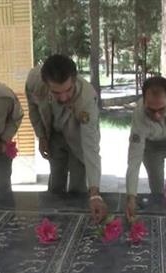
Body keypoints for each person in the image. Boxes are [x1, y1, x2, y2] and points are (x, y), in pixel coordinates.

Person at [25, 54, 107, 222]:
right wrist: (41, 136)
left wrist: (95, 194)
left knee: (78, 186)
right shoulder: (34, 81)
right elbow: (33, 108)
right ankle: (52, 224)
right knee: (55, 183)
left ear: (75, 80)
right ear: (45, 83)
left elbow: (91, 147)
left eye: (68, 90)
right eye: (56, 92)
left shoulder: (86, 99)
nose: (63, 98)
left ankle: (78, 224)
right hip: (54, 134)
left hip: (78, 136)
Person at [126, 76, 166, 219]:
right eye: (151, 109)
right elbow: (134, 159)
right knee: (157, 191)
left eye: (161, 109)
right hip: (152, 147)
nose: (156, 115)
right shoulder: (139, 115)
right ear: (143, 100)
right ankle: (162, 219)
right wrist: (131, 197)